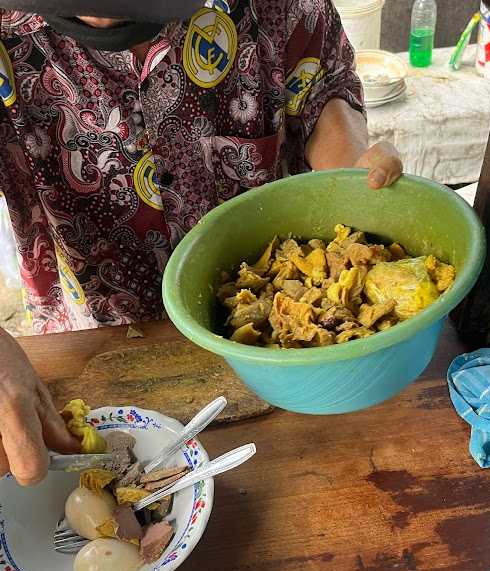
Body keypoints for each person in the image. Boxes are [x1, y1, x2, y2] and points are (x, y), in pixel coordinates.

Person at [0, 0, 402, 485]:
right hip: (91, 341)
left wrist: (350, 170)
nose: (102, 19)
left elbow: (322, 89)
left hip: (281, 347)